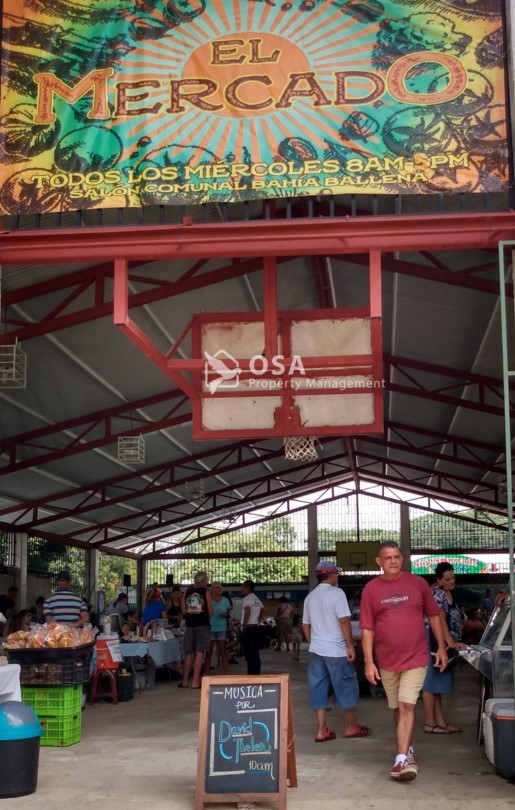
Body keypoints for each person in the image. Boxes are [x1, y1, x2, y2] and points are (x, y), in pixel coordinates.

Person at [360, 541, 447, 782]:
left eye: (397, 556)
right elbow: (366, 628)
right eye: (388, 558)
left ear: (402, 558)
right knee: (398, 707)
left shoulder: (417, 583)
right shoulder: (371, 589)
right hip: (387, 660)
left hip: (416, 657)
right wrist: (369, 662)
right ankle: (406, 748)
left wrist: (440, 647)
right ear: (379, 561)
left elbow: (434, 614)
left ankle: (401, 760)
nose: (393, 561)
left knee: (408, 705)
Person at [302, 561, 370, 743]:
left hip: (317, 651)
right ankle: (350, 728)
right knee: (347, 686)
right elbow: (344, 621)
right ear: (331, 574)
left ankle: (321, 730)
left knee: (318, 688)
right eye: (336, 574)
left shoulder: (310, 597)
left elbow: (305, 625)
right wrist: (350, 645)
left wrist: (313, 643)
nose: (337, 577)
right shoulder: (337, 593)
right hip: (336, 650)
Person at [422, 562, 466, 735]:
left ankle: (440, 721)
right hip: (434, 639)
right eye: (447, 579)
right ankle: (430, 723)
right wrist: (449, 643)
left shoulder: (447, 593)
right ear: (438, 580)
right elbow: (439, 620)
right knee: (431, 682)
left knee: (438, 684)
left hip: (443, 640)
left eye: (453, 577)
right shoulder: (438, 594)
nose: (451, 581)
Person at [178, 571, 213, 689]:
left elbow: (183, 611)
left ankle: (184, 681)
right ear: (202, 581)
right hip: (202, 625)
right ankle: (195, 682)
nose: (207, 582)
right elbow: (210, 610)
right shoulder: (206, 591)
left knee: (189, 653)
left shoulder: (187, 591)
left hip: (189, 625)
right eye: (206, 580)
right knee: (199, 652)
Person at [206, 581, 231, 675]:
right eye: (216, 587)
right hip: (210, 629)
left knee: (223, 652)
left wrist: (226, 615)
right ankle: (207, 674)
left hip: (221, 629)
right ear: (211, 589)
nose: (219, 589)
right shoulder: (208, 600)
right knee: (209, 653)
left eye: (220, 587)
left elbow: (229, 612)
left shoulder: (225, 600)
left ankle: (226, 674)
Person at [241, 579, 265, 675]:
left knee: (249, 654)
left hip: (249, 629)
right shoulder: (256, 599)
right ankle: (256, 673)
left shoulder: (247, 599)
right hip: (255, 628)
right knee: (255, 653)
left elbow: (247, 611)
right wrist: (258, 620)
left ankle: (251, 674)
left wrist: (244, 625)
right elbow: (263, 610)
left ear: (247, 588)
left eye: (242, 587)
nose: (241, 589)